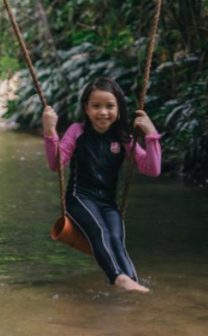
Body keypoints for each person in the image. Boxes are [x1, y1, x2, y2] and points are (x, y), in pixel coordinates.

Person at [42, 77, 161, 292]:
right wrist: (50, 130)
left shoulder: (124, 138)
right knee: (100, 232)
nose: (103, 112)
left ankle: (132, 285)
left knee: (116, 239)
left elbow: (152, 169)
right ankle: (118, 278)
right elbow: (56, 164)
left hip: (107, 203)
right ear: (86, 109)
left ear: (119, 109)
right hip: (79, 198)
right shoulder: (77, 131)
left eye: (110, 106)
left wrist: (151, 134)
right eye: (96, 106)